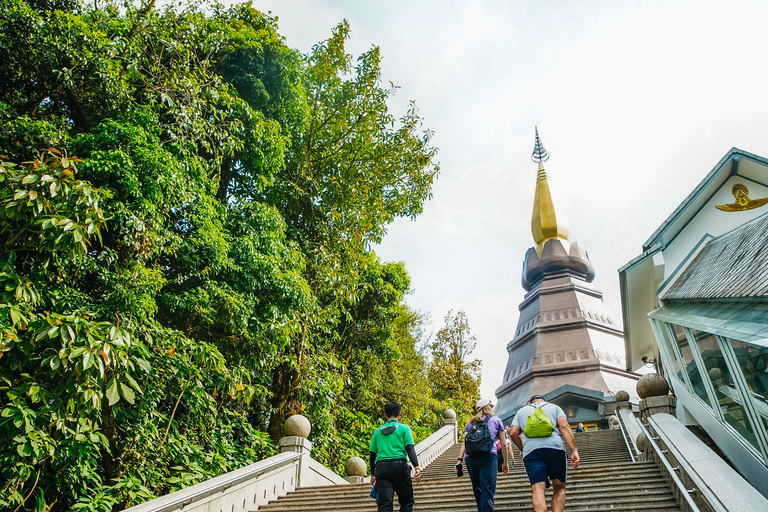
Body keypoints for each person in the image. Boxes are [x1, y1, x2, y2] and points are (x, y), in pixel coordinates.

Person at [509, 395, 580, 512]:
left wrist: (522, 448)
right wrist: (574, 450)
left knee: (537, 489)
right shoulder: (554, 407)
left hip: (532, 452)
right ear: (544, 401)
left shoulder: (521, 411)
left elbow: (512, 433)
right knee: (559, 487)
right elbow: (564, 426)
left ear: (530, 402)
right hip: (555, 449)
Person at [456, 399, 509, 512]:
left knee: (478, 490)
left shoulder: (470, 423)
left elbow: (465, 442)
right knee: (488, 490)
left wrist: (459, 460)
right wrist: (505, 462)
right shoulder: (496, 420)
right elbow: (504, 443)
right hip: (488, 456)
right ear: (489, 407)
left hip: (470, 458)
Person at [369, 402, 422, 512]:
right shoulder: (404, 429)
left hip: (381, 469)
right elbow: (409, 448)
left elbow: (372, 454)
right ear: (399, 413)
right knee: (407, 501)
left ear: (386, 415)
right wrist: (416, 467)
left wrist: (372, 474)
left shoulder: (378, 431)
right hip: (398, 467)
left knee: (385, 504)